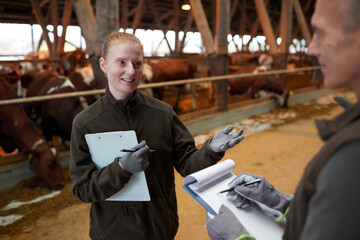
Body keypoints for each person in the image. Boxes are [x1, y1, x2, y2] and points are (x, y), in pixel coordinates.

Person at [206, 0, 360, 239]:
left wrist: (242, 238)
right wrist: (284, 205)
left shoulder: (353, 151)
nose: (311, 49)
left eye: (320, 32)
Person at [69, 31, 244, 240]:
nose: (131, 71)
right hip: (114, 233)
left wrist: (211, 150)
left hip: (162, 229)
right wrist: (121, 169)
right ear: (104, 65)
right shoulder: (86, 123)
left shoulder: (163, 114)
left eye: (137, 63)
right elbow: (83, 189)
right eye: (121, 62)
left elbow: (187, 163)